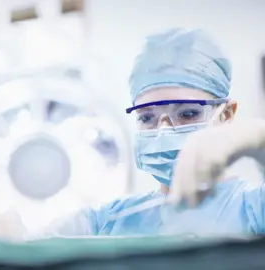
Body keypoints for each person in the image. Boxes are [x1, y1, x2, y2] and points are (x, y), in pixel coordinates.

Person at [51, 28, 265, 237]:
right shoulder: (108, 222)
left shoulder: (253, 209)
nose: (164, 132)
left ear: (226, 115)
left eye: (188, 113)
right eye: (146, 118)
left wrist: (256, 135)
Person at [170, 118, 265, 208]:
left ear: (226, 114)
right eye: (153, 117)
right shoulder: (155, 210)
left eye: (188, 114)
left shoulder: (252, 205)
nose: (163, 130)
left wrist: (260, 137)